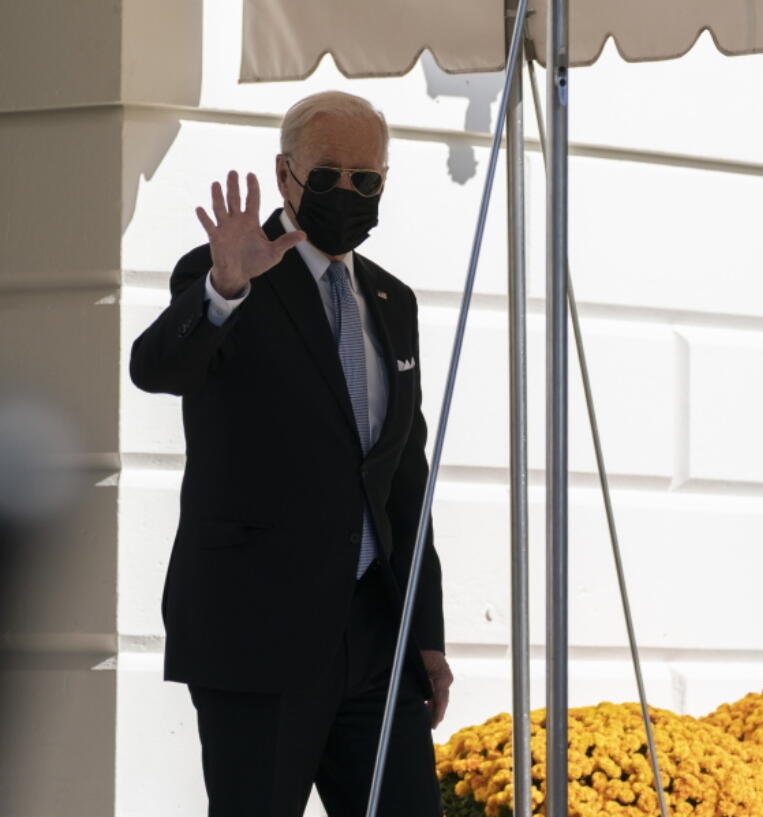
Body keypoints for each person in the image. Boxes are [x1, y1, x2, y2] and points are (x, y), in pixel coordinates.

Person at [129, 90, 451, 817]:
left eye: (365, 179)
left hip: (374, 642)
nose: (347, 191)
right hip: (258, 637)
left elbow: (404, 482)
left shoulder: (393, 302)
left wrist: (423, 634)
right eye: (328, 173)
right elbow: (156, 368)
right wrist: (225, 289)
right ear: (285, 175)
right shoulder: (226, 273)